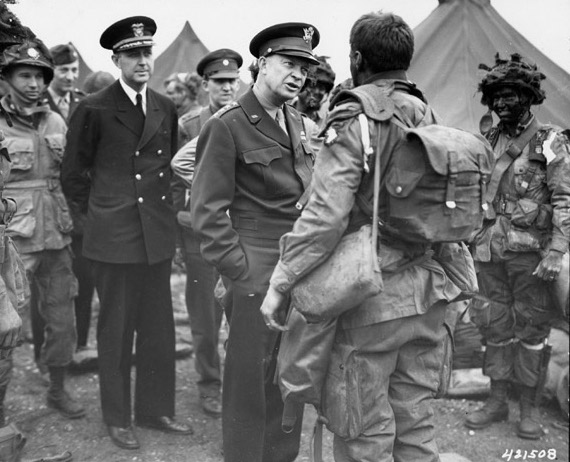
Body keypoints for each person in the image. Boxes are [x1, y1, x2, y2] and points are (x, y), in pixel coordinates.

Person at [261, 12, 464, 461]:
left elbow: (324, 215)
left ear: (356, 58)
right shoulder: (424, 110)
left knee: (362, 433)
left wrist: (280, 284)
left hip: (370, 299)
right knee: (415, 426)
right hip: (428, 293)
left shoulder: (354, 116)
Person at [190, 22, 320, 462]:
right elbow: (206, 214)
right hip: (256, 270)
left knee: (290, 379)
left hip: (298, 268)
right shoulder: (226, 125)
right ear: (262, 64)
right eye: (289, 63)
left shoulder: (301, 123)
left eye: (305, 67)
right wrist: (242, 276)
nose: (299, 74)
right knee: (248, 386)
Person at [61, 16, 192, 450]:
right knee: (115, 333)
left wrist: (169, 215)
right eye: (132, 54)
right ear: (116, 59)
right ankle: (118, 417)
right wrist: (91, 223)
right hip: (112, 239)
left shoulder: (164, 106)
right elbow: (73, 176)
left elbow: (174, 168)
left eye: (146, 53)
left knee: (158, 330)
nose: (142, 61)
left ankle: (155, 411)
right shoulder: (94, 106)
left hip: (154, 235)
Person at [465, 53, 570, 439]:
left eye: (509, 96)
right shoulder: (488, 139)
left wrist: (557, 251)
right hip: (489, 251)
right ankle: (496, 401)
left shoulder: (551, 140)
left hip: (531, 255)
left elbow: (564, 199)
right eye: (495, 97)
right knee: (493, 326)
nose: (500, 104)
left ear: (528, 96)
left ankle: (527, 409)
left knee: (530, 331)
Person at [0, 39, 85, 420]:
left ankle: (57, 388)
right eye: (25, 75)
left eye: (39, 76)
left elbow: (67, 175)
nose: (34, 83)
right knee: (5, 324)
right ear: (6, 79)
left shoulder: (55, 120)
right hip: (14, 239)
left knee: (63, 318)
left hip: (56, 233)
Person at [171, 48, 243, 419]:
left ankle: (236, 383)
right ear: (205, 85)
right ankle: (209, 384)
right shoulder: (188, 124)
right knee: (204, 316)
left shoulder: (247, 119)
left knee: (241, 312)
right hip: (199, 232)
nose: (228, 87)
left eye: (232, 81)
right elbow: (169, 180)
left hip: (239, 232)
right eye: (220, 82)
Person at [293, 55, 335, 130]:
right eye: (312, 86)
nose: (316, 91)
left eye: (321, 88)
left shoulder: (328, 123)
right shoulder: (281, 111)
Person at [45, 44, 84, 122]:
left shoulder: (84, 101)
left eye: (74, 70)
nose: (70, 77)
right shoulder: (36, 101)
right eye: (64, 70)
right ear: (50, 70)